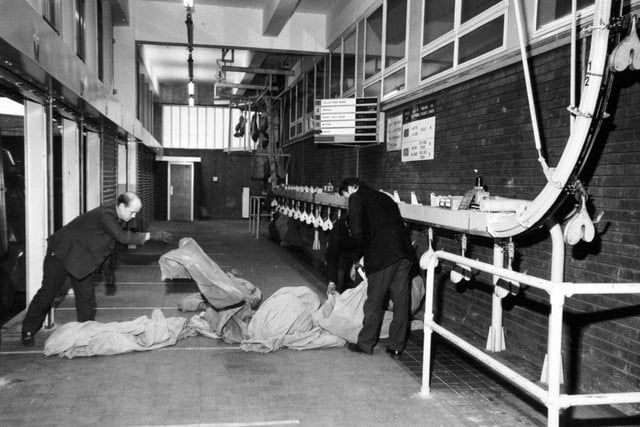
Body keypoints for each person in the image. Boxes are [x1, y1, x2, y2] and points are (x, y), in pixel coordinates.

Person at [21, 192, 173, 346]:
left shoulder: (117, 218)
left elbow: (108, 245)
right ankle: (27, 331)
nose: (133, 216)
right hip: (61, 254)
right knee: (47, 294)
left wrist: (108, 272)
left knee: (86, 297)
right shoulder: (105, 214)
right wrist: (153, 236)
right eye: (132, 212)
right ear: (121, 206)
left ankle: (85, 333)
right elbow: (122, 237)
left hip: (81, 258)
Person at [340, 177, 415, 358]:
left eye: (345, 195)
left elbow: (358, 232)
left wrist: (356, 256)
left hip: (382, 256)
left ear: (352, 187)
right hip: (403, 254)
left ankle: (365, 344)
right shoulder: (385, 197)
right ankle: (396, 346)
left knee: (374, 300)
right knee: (401, 301)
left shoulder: (356, 197)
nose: (347, 199)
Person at [325, 213, 361, 295]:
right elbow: (332, 256)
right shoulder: (339, 228)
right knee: (339, 276)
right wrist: (332, 282)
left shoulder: (364, 225)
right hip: (343, 252)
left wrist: (357, 262)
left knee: (360, 277)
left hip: (358, 251)